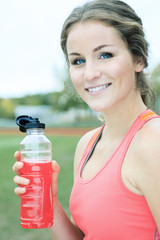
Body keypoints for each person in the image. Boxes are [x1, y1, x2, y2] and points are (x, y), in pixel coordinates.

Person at [13, 0, 160, 239]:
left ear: (138, 60)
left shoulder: (154, 142)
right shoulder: (87, 144)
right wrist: (49, 198)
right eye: (78, 61)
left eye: (105, 54)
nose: (90, 74)